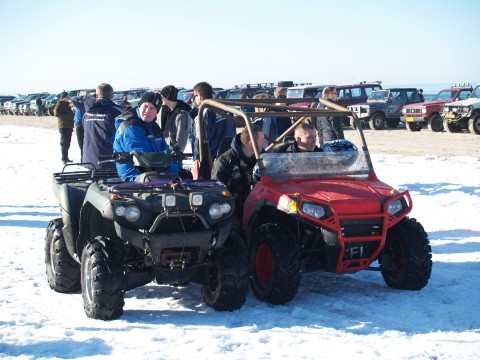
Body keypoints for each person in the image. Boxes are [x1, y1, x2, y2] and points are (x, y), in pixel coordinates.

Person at [113, 91, 181, 181]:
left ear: (157, 111)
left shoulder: (153, 127)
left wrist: (176, 165)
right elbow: (144, 160)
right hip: (135, 175)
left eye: (152, 108)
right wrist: (172, 166)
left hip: (153, 172)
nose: (147, 111)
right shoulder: (131, 127)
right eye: (145, 106)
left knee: (185, 177)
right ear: (139, 105)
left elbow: (165, 152)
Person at [211, 125, 264, 219]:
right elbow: (216, 193)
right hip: (233, 211)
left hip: (258, 206)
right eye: (261, 140)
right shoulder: (225, 162)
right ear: (251, 143)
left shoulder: (262, 158)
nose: (264, 143)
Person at [82, 83, 124, 170]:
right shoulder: (118, 112)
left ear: (97, 95)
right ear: (112, 95)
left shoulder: (87, 113)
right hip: (109, 162)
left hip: (89, 161)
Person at [191, 81, 236, 161]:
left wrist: (197, 159)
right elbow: (233, 131)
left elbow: (200, 139)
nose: (194, 99)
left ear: (200, 96)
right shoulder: (226, 109)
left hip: (210, 158)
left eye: (195, 96)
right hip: (228, 155)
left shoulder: (203, 112)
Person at [158, 85, 192, 159]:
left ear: (168, 97)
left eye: (162, 96)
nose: (160, 99)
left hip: (174, 153)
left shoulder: (181, 114)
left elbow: (182, 139)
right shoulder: (165, 110)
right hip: (165, 151)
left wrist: (176, 154)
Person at [53, 92, 74, 164]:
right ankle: (64, 158)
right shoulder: (59, 104)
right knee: (64, 143)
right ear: (63, 97)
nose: (68, 98)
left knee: (68, 142)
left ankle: (66, 157)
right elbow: (56, 113)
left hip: (69, 126)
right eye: (67, 97)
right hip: (64, 126)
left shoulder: (67, 104)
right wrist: (67, 116)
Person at [70, 95, 87, 161]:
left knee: (81, 145)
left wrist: (80, 97)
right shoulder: (88, 106)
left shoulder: (80, 105)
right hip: (86, 126)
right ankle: (84, 159)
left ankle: (83, 159)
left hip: (80, 126)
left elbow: (73, 99)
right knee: (85, 144)